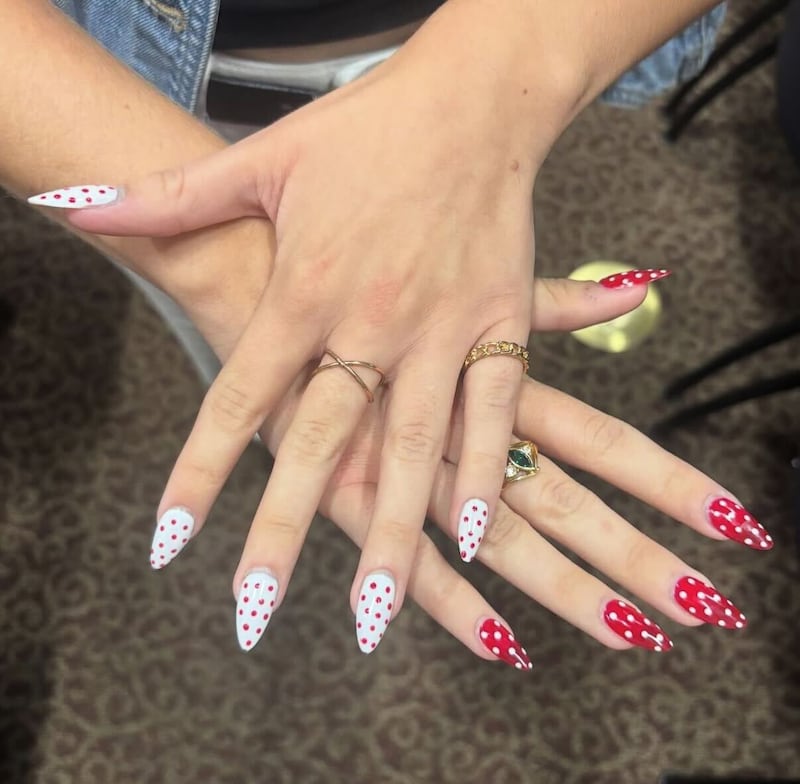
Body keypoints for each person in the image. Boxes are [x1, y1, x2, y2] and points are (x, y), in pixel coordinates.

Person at [5, 0, 767, 667]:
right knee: (269, 378)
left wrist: (498, 75)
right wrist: (222, 263)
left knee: (414, 349)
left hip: (501, 67)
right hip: (113, 97)